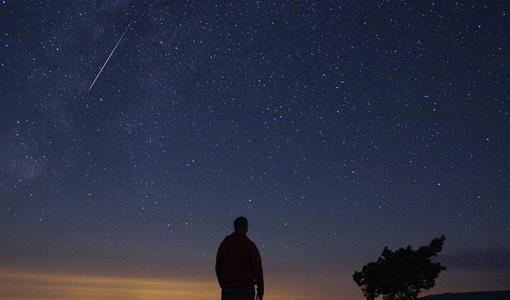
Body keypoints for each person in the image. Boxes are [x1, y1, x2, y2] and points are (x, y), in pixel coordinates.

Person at [215, 216, 264, 300]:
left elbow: (218, 267)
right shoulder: (249, 245)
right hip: (245, 290)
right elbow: (257, 268)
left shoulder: (225, 245)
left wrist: (224, 284)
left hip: (228, 290)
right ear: (245, 228)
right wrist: (260, 289)